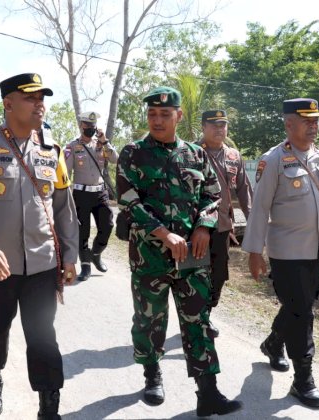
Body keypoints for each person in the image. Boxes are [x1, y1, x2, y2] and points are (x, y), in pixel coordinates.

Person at [0, 72, 78, 420]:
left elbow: (64, 207)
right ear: (8, 103)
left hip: (41, 264)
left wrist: (70, 255)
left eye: (42, 98)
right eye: (31, 97)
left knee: (42, 338)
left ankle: (48, 404)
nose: (40, 104)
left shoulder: (52, 150)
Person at [116, 86, 242, 417]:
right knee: (149, 320)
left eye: (165, 114)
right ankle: (152, 374)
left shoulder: (195, 155)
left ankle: (208, 392)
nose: (157, 120)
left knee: (197, 321)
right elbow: (128, 199)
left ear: (179, 116)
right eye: (152, 114)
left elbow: (212, 194)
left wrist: (203, 226)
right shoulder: (133, 153)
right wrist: (164, 234)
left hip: (192, 258)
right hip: (150, 257)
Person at [242, 98, 319, 409]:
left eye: (316, 120)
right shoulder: (273, 161)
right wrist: (255, 251)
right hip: (286, 253)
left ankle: (273, 343)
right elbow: (260, 210)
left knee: (300, 306)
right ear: (288, 124)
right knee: (302, 313)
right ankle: (303, 379)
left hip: (318, 251)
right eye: (306, 120)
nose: (314, 126)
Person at [196, 109, 252, 337]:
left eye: (223, 125)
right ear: (203, 127)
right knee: (196, 273)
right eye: (213, 124)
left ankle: (206, 312)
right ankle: (198, 320)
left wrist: (254, 222)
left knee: (218, 275)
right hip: (196, 227)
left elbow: (244, 190)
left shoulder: (233, 156)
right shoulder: (191, 153)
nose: (219, 129)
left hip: (222, 227)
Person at [63, 111, 118, 282]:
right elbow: (66, 172)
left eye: (93, 126)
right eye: (88, 125)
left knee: (108, 224)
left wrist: (105, 142)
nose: (91, 129)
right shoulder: (72, 146)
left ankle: (96, 253)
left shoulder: (100, 144)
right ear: (81, 125)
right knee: (83, 231)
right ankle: (85, 265)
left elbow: (116, 159)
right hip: (81, 195)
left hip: (100, 193)